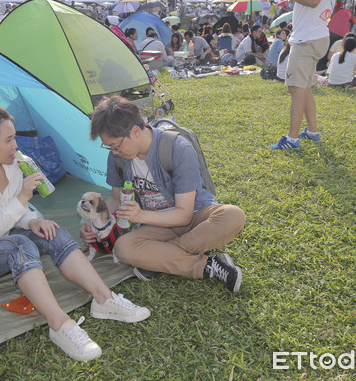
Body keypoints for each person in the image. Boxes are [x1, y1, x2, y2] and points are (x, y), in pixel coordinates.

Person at [0, 105, 151, 362]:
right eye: (8, 140)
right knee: (17, 244)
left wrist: (32, 222)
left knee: (50, 230)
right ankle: (60, 325)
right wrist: (22, 198)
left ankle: (104, 299)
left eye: (14, 137)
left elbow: (17, 211)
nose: (15, 146)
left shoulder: (11, 167)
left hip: (2, 244)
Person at [83, 96, 246, 293]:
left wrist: (141, 216)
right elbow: (116, 200)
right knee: (123, 248)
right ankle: (207, 264)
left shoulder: (177, 148)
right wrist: (93, 222)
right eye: (108, 147)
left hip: (195, 216)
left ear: (135, 131)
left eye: (115, 146)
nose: (113, 152)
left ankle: (159, 258)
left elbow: (184, 214)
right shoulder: (117, 158)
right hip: (157, 225)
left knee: (233, 216)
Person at [269, 0, 338, 149]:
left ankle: (292, 139)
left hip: (307, 38)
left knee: (296, 88)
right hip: (313, 36)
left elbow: (313, 0)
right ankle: (312, 131)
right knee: (304, 87)